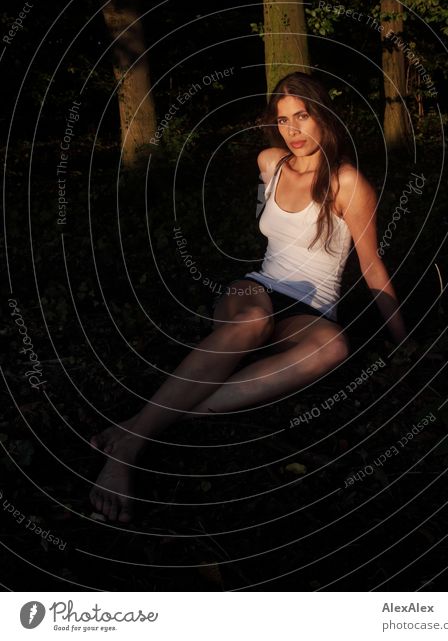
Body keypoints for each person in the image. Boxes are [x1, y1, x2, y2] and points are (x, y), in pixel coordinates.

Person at [90, 71, 407, 522]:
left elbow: (372, 265)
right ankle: (127, 453)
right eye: (283, 120)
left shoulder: (347, 183)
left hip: (311, 311)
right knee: (254, 320)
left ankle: (141, 426)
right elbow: (272, 218)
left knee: (335, 346)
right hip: (256, 287)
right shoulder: (270, 163)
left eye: (303, 116)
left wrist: (404, 342)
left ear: (325, 117)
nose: (292, 131)